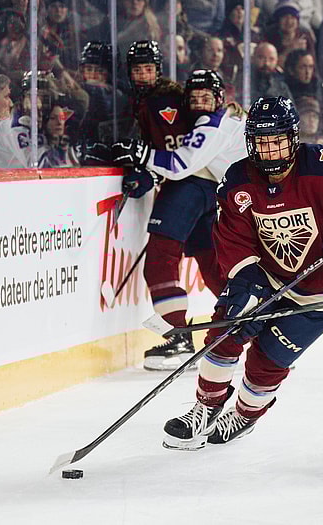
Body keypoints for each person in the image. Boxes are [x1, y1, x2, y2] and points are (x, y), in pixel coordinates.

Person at [161, 96, 323, 449]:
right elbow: (231, 236)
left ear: (292, 138)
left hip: (320, 292)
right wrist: (246, 279)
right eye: (262, 142)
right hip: (268, 279)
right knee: (225, 333)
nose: (271, 151)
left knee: (266, 363)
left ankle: (245, 415)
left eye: (277, 141)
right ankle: (204, 407)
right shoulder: (238, 179)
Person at [112, 67, 244, 370]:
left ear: (219, 98)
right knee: (210, 263)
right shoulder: (215, 119)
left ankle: (178, 338)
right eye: (194, 97)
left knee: (160, 260)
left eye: (205, 97)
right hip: (213, 192)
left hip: (191, 188)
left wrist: (142, 156)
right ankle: (247, 324)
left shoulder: (211, 125)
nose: (199, 103)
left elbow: (180, 164)